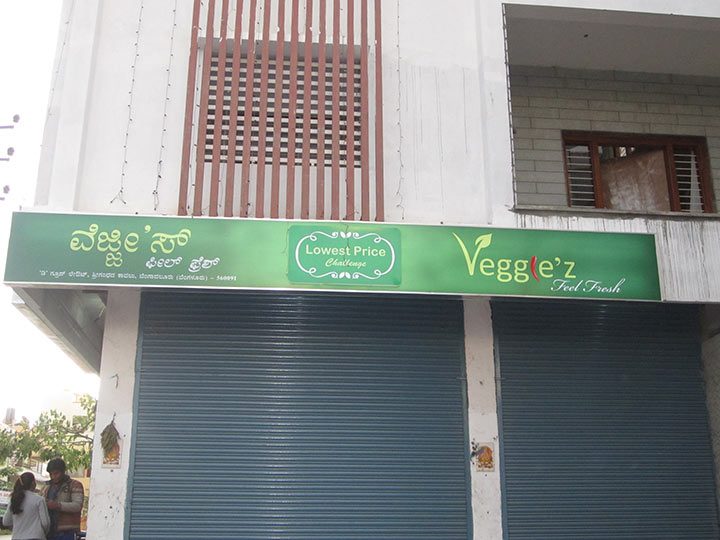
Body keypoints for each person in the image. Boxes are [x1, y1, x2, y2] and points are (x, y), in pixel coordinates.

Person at [41, 458, 84, 540]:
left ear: (63, 471)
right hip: (48, 531)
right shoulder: (46, 486)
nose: (53, 477)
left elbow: (77, 506)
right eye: (51, 474)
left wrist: (57, 505)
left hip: (67, 532)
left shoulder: (75, 485)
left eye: (56, 473)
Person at [2, 472, 51, 540]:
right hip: (36, 537)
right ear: (33, 483)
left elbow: (6, 521)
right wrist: (42, 533)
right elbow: (46, 523)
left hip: (17, 537)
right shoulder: (39, 500)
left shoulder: (13, 499)